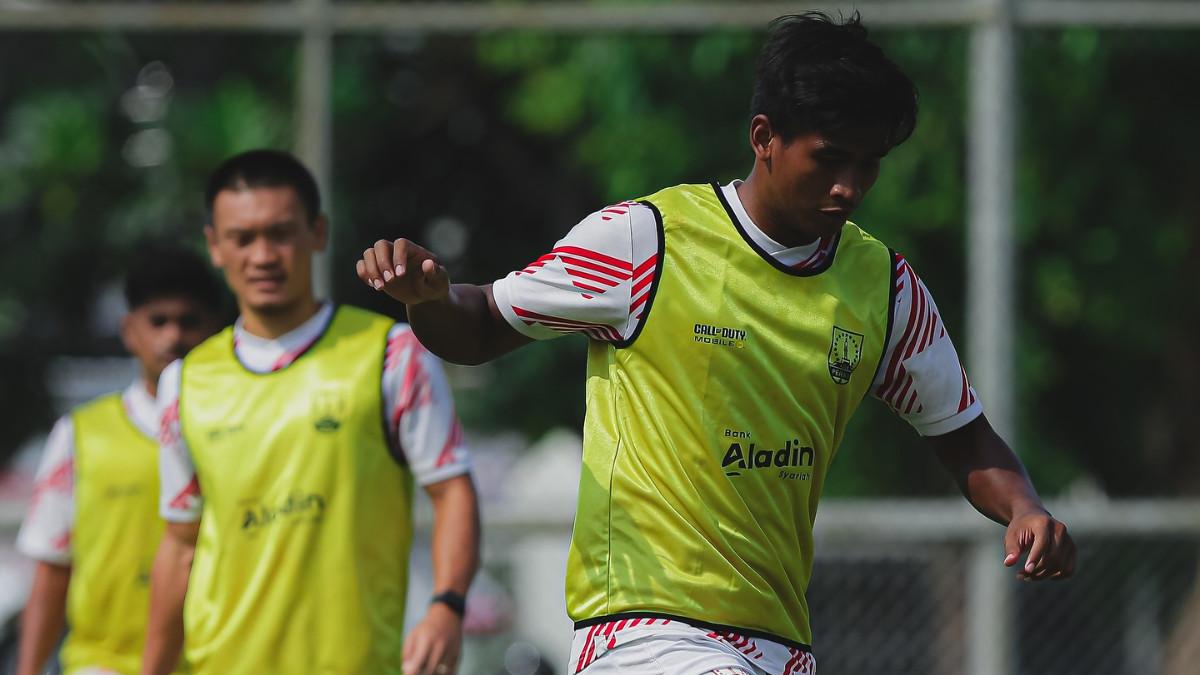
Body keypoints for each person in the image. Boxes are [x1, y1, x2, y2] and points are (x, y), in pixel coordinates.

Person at [355, 12, 1076, 675]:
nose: (850, 187)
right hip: (640, 631)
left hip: (779, 641)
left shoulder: (883, 287)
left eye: (869, 164)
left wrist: (1024, 508)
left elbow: (964, 435)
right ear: (764, 137)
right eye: (829, 159)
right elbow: (482, 323)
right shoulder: (646, 243)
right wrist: (428, 300)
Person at [140, 149, 480, 675]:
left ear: (317, 233)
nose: (263, 255)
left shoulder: (391, 355)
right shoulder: (184, 383)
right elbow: (180, 545)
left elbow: (451, 489)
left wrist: (447, 606)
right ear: (215, 246)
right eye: (243, 238)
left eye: (280, 233)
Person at [15, 243, 224, 675]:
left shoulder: (241, 429)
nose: (173, 336)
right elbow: (52, 570)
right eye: (158, 321)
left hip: (215, 663)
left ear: (216, 328)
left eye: (188, 321)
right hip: (103, 665)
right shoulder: (80, 435)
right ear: (130, 330)